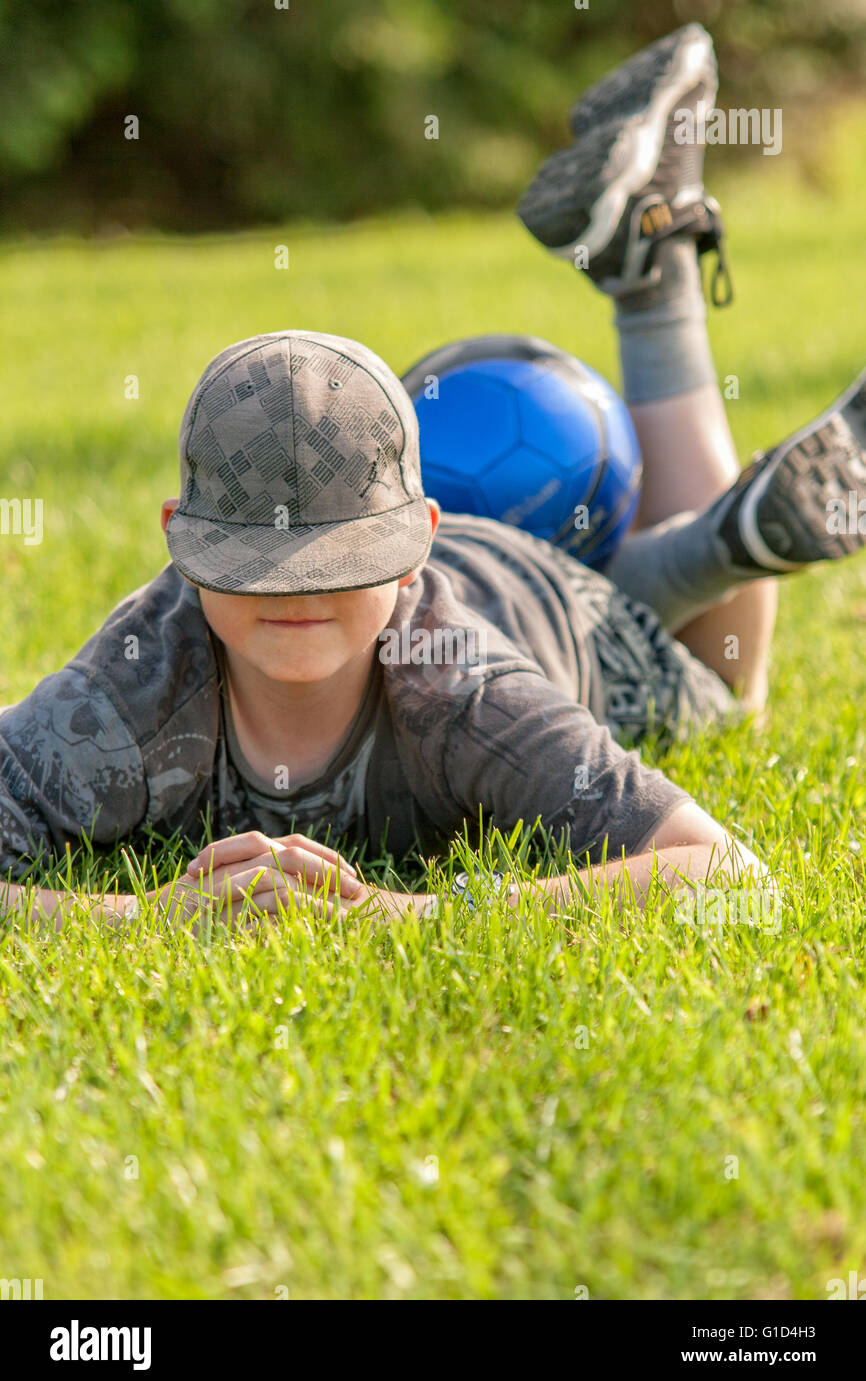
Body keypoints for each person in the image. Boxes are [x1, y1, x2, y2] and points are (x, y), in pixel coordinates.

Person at [1, 24, 863, 930]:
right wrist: (146, 921)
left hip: (553, 607)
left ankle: (710, 502)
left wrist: (397, 917)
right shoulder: (131, 685)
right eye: (259, 558)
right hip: (479, 546)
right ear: (176, 539)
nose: (298, 589)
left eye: (336, 558)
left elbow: (730, 877)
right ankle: (707, 506)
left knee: (732, 695)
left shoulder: (461, 687)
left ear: (418, 548)